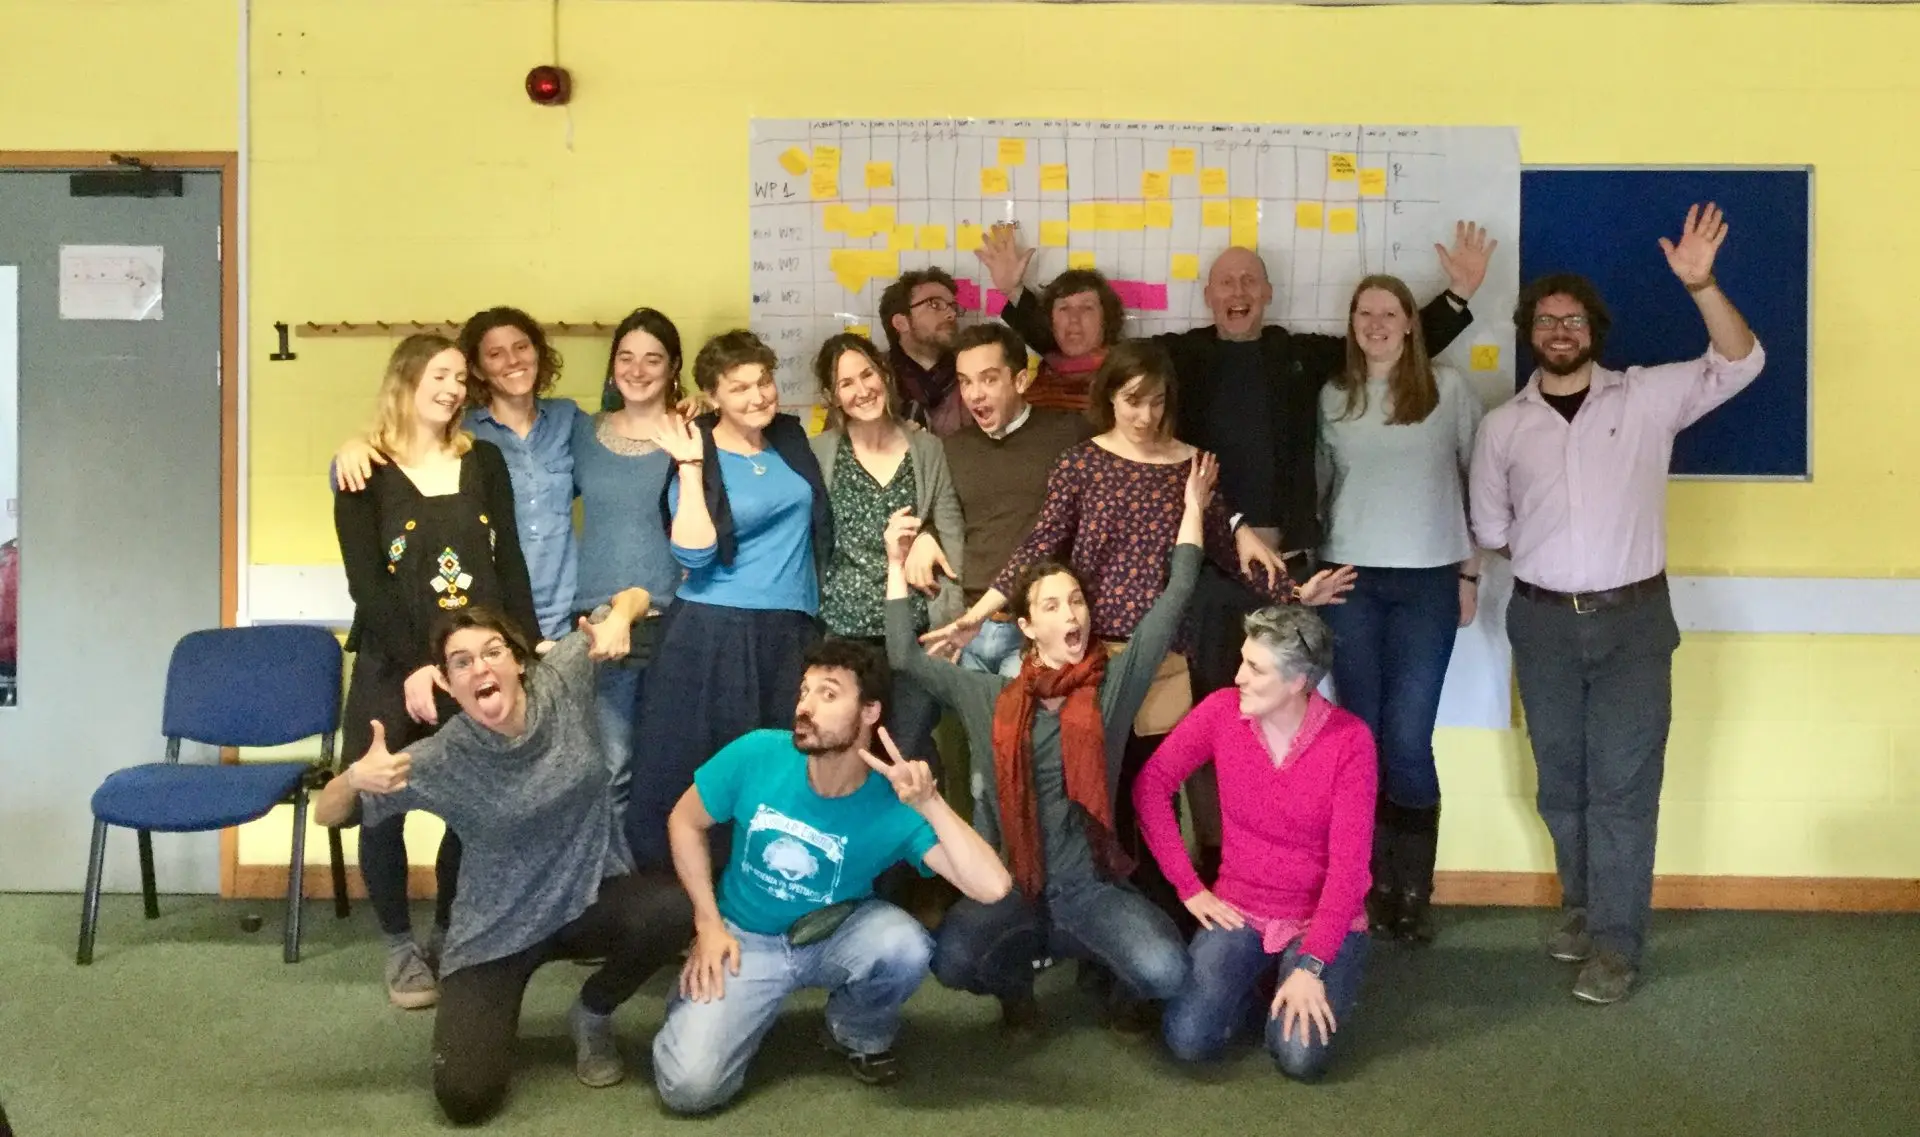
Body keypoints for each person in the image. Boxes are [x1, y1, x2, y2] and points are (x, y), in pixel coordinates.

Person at [895, 454, 1347, 1032]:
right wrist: (895, 562)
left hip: (1088, 889)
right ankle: (1016, 982)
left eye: (1077, 601)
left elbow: (1175, 596)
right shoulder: (986, 696)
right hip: (1013, 884)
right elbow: (904, 655)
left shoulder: (1108, 691)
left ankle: (1103, 970)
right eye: (1052, 606)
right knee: (953, 960)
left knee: (1166, 972)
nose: (1072, 614)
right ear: (1026, 627)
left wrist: (1192, 508)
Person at [923, 342, 1351, 914]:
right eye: (1132, 401)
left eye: (1156, 401)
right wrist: (977, 615)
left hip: (1162, 659)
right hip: (1091, 661)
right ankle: (1104, 920)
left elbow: (1227, 548)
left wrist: (1294, 594)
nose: (1145, 415)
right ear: (1110, 398)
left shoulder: (1191, 465)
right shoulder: (1082, 462)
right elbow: (1039, 544)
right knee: (1103, 795)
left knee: (1157, 795)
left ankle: (1164, 916)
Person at [1470, 204, 1763, 1005]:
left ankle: (1615, 942)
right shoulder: (1502, 428)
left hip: (1633, 624)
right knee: (1561, 785)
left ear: (1594, 330)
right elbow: (1491, 529)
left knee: (1623, 789)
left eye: (1573, 319)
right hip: (1541, 624)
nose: (1560, 330)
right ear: (1530, 333)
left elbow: (1741, 362)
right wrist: (1558, 561)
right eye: (1546, 320)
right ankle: (1583, 905)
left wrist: (1701, 286)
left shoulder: (1647, 397)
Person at [315, 594, 694, 1125]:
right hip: (496, 931)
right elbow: (328, 814)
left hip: (586, 899)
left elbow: (634, 597)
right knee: (465, 1099)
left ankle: (592, 1011)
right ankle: (490, 1019)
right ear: (448, 685)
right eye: (462, 662)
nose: (480, 668)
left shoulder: (561, 680)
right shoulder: (441, 757)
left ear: (518, 661)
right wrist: (354, 777)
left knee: (676, 910)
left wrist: (620, 620)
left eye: (492, 651)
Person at [650, 640, 1012, 1113]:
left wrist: (931, 804)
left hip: (832, 930)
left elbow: (993, 886)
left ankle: (853, 1030)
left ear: (869, 712)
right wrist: (707, 922)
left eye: (828, 694)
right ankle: (702, 1007)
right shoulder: (757, 752)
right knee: (688, 1088)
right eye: (804, 692)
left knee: (904, 946)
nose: (805, 707)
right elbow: (685, 821)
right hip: (744, 938)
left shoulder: (892, 801)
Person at [333, 333, 539, 1009]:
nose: (453, 389)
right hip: (393, 664)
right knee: (381, 805)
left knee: (472, 804)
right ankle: (399, 946)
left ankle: (450, 932)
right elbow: (367, 583)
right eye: (439, 376)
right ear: (406, 380)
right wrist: (420, 664)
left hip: (474, 666)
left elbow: (509, 562)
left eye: (459, 379)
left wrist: (527, 651)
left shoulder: (483, 461)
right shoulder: (363, 470)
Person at [1135, 606, 1376, 1083]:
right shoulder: (1222, 711)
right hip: (1240, 910)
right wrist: (1189, 886)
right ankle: (1265, 981)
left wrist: (1311, 964)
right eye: (1243, 660)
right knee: (1187, 1039)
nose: (1238, 676)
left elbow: (1349, 870)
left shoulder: (1350, 741)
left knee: (1299, 1059)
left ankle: (1297, 974)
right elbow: (1152, 785)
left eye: (1255, 668)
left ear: (1297, 682)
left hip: (1319, 920)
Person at [1317, 274, 1485, 945]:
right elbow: (1320, 488)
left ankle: (1411, 891)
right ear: (1352, 322)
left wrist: (1470, 572)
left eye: (1390, 312)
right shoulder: (1333, 396)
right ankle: (1364, 885)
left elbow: (1481, 482)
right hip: (1350, 582)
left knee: (1408, 740)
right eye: (1366, 312)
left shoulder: (1449, 390)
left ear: (1412, 323)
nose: (1377, 323)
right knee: (1359, 738)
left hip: (1429, 583)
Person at [624, 331, 831, 869]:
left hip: (790, 630)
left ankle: (766, 885)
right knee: (710, 769)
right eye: (738, 388)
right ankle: (693, 893)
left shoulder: (789, 437)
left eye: (763, 381)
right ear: (713, 396)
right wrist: (691, 466)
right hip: (714, 631)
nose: (758, 396)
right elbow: (694, 555)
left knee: (782, 767)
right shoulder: (698, 449)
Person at [334, 306, 583, 641]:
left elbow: (620, 448)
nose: (452, 389)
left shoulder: (560, 424)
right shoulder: (457, 435)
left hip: (544, 620)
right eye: (495, 354)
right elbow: (367, 575)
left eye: (521, 347)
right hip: (443, 636)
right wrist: (351, 448)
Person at [809, 333, 965, 763]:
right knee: (845, 756)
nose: (862, 390)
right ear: (832, 396)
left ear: (884, 375)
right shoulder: (819, 452)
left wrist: (950, 624)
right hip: (843, 633)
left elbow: (951, 530)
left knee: (908, 754)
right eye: (846, 383)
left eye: (867, 375)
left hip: (914, 635)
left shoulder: (926, 448)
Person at [572, 308, 685, 814]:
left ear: (674, 366)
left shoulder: (692, 434)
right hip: (596, 623)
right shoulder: (581, 432)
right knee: (608, 770)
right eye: (626, 357)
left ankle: (658, 864)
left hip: (673, 620)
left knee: (667, 767)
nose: (637, 370)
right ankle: (611, 867)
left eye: (653, 359)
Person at [940, 322, 1093, 678]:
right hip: (967, 627)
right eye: (965, 382)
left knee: (1022, 717)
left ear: (1021, 381)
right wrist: (924, 537)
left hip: (1035, 629)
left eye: (989, 379)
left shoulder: (1069, 434)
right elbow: (943, 517)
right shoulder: (952, 449)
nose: (975, 394)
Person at [977, 225, 1124, 412]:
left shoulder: (1125, 376)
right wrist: (1011, 289)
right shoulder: (1041, 371)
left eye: (1087, 308)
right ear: (1051, 321)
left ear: (1107, 319)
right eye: (1064, 308)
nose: (1074, 318)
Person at [877, 268, 968, 435]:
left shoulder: (971, 373)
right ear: (901, 323)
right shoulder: (872, 377)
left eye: (953, 306)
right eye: (935, 304)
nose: (952, 314)